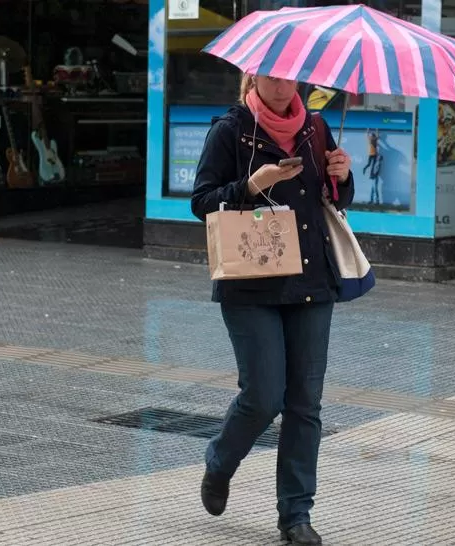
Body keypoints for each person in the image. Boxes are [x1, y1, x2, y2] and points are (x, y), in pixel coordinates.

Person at [190, 73, 354, 545]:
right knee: (263, 395)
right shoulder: (231, 130)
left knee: (305, 404)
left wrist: (342, 178)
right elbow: (201, 201)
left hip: (311, 280)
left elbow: (333, 203)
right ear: (253, 76)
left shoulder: (316, 128)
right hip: (251, 284)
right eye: (272, 77)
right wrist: (248, 185)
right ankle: (220, 462)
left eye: (289, 77)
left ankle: (296, 515)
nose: (282, 86)